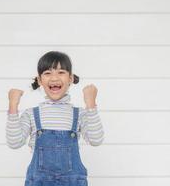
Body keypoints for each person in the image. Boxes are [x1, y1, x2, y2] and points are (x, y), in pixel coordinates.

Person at [6, 51, 104, 186]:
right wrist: (13, 106)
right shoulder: (31, 114)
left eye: (61, 72)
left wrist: (90, 104)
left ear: (70, 78)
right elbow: (14, 142)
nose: (54, 78)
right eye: (47, 73)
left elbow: (96, 140)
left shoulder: (80, 114)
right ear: (39, 80)